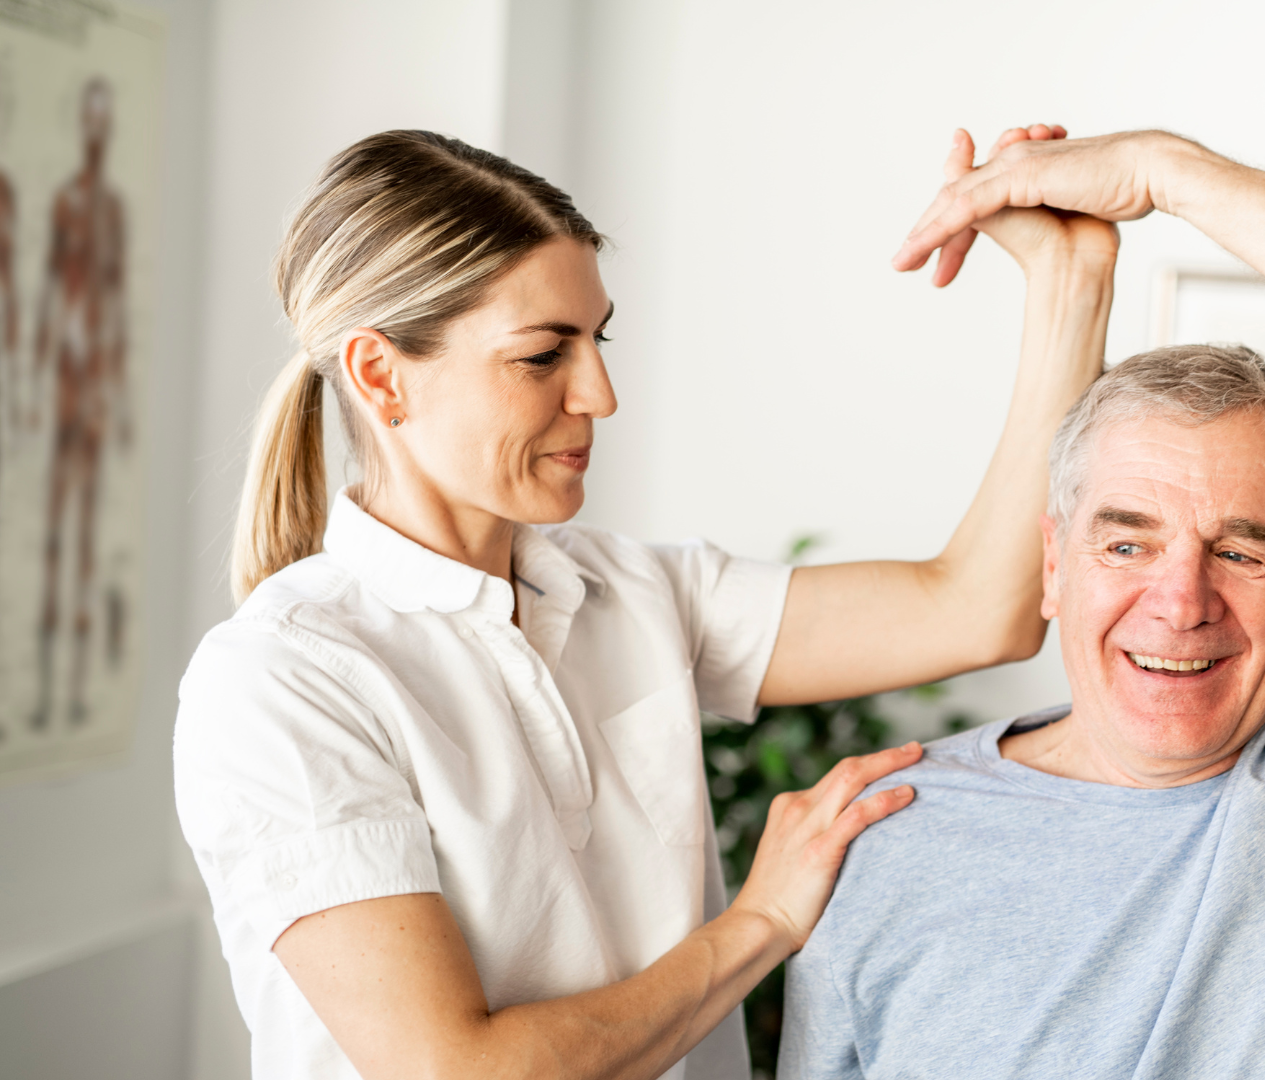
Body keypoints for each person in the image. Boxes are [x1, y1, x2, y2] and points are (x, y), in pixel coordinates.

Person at [173, 124, 1118, 1080]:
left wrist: (1068, 282)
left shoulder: (633, 593)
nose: (602, 393)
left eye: (598, 339)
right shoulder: (281, 680)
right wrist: (762, 920)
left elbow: (978, 608)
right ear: (382, 375)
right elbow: (458, 1070)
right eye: (544, 355)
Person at [780, 130, 1265, 1078]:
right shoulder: (883, 834)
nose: (1181, 599)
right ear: (1054, 565)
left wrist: (1161, 170)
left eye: (1241, 551)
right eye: (1127, 543)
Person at [32, 76, 127, 728]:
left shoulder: (112, 209)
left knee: (85, 541)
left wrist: (114, 397)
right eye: (90, 120)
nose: (98, 133)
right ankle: (42, 693)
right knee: (54, 540)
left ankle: (71, 694)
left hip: (92, 383)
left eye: (105, 121)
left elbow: (114, 303)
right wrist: (35, 384)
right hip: (66, 379)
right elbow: (47, 295)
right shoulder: (65, 202)